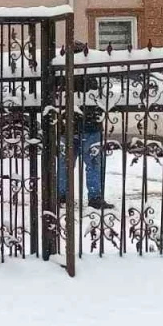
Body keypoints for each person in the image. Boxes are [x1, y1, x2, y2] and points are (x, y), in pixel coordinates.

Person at [55, 41, 113, 210]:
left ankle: (63, 195)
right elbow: (100, 98)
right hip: (89, 126)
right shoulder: (92, 73)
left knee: (66, 164)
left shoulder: (62, 74)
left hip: (70, 126)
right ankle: (94, 197)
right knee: (93, 163)